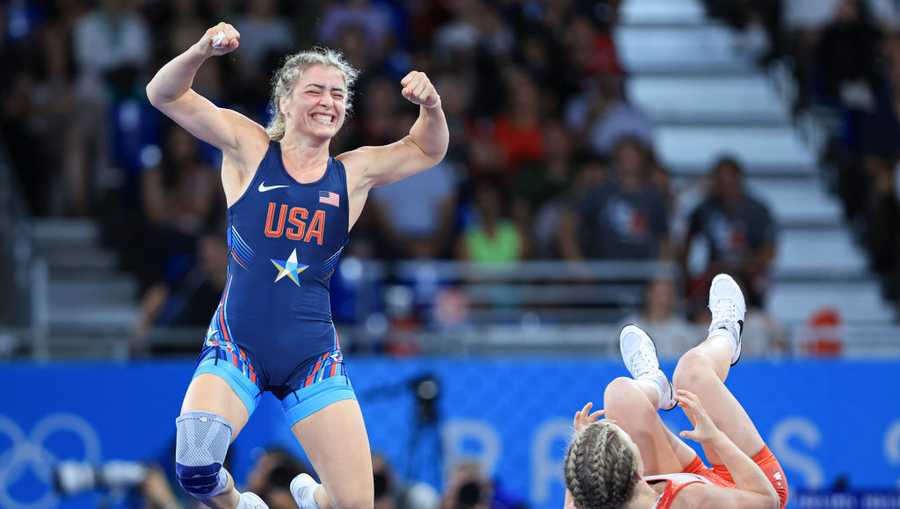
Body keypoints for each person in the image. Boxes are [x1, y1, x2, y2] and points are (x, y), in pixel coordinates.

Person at [146, 21, 448, 509]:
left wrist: (431, 106)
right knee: (198, 466)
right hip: (237, 345)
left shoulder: (353, 173)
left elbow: (429, 148)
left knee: (356, 506)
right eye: (315, 90)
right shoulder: (249, 149)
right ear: (285, 101)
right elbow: (164, 93)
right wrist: (201, 49)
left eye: (338, 93)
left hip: (312, 359)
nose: (328, 101)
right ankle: (241, 505)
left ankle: (315, 498)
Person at [564, 274, 788, 509]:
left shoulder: (600, 500)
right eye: (627, 439)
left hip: (679, 487)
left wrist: (581, 450)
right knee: (692, 373)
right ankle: (727, 334)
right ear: (637, 473)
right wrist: (716, 438)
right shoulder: (691, 502)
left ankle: (655, 384)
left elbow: (577, 495)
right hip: (751, 488)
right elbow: (767, 500)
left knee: (620, 396)